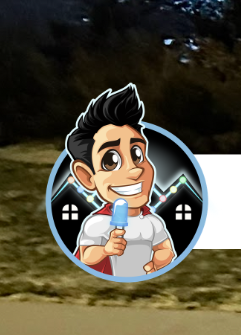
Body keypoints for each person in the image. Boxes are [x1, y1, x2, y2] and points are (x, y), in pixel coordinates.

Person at [64, 84, 175, 277]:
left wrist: (159, 261)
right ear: (86, 177)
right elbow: (85, 256)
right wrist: (105, 249)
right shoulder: (97, 223)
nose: (134, 169)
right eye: (111, 161)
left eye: (137, 154)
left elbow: (166, 249)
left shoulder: (152, 222)